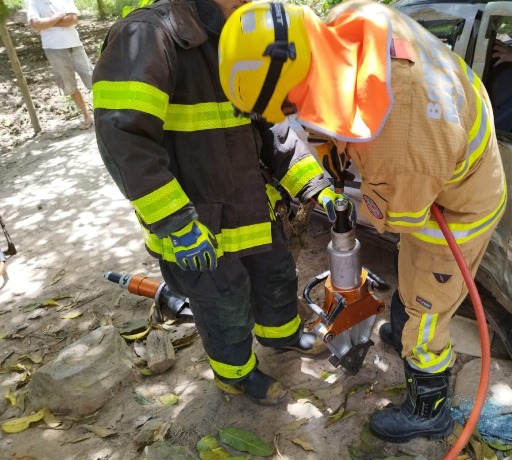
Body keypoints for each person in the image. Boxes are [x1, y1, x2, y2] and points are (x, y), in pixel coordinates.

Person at [218, 0, 506, 441]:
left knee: (429, 305)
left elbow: (398, 219)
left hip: (455, 209)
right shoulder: (350, 23)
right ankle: (405, 327)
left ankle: (429, 409)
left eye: (288, 110)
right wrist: (334, 162)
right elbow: (332, 113)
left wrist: (363, 197)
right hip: (436, 173)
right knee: (411, 274)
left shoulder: (403, 138)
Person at [93, 0, 351, 406]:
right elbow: (124, 141)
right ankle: (237, 374)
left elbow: (272, 125)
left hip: (252, 208)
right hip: (198, 228)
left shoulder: (243, 35)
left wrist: (315, 185)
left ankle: (280, 335)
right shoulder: (148, 36)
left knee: (277, 275)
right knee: (223, 306)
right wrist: (174, 222)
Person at [25, 0, 94, 129]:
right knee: (69, 86)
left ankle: (106, 110)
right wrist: (58, 16)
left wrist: (48, 22)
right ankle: (86, 116)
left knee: (93, 78)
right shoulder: (31, 1)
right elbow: (37, 25)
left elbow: (72, 19)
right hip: (53, 48)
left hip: (75, 45)